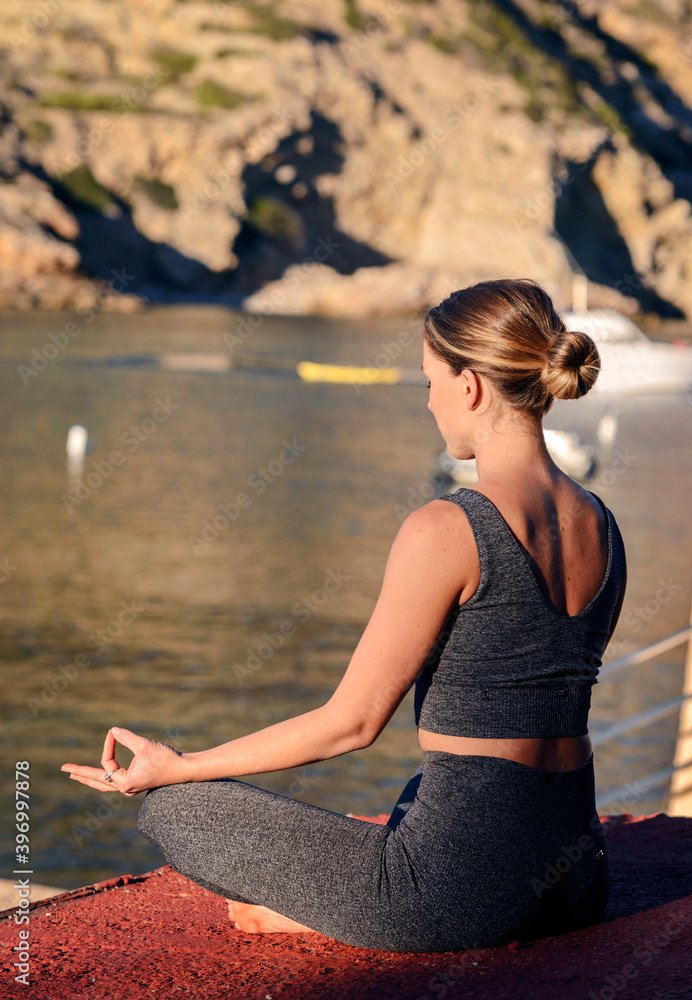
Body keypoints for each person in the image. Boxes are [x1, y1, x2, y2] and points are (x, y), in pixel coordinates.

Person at [61, 277, 627, 953]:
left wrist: (178, 765)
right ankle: (376, 903)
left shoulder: (448, 528)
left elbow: (350, 724)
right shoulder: (602, 522)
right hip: (578, 880)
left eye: (429, 382)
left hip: (461, 894)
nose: (428, 402)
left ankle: (345, 918)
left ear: (470, 387)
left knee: (175, 812)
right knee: (425, 790)